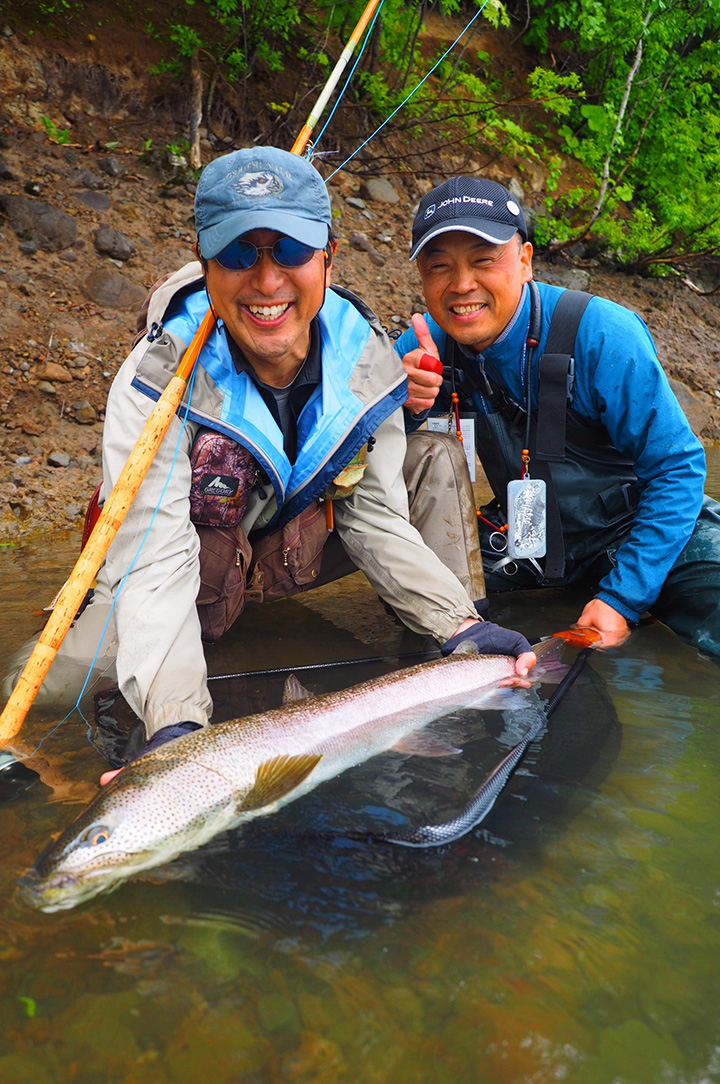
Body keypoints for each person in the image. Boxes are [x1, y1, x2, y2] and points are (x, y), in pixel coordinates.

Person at [4, 150, 536, 768]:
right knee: (45, 687)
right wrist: (177, 728)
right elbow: (154, 564)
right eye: (238, 254)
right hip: (179, 563)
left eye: (288, 251)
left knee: (432, 460)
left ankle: (434, 664)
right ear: (206, 268)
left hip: (284, 554)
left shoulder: (367, 365)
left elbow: (377, 519)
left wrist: (460, 628)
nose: (266, 281)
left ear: (328, 260)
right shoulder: (155, 382)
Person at [395, 175, 720, 656]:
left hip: (643, 526)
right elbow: (360, 471)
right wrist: (398, 409)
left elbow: (678, 470)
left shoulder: (603, 333)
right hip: (530, 541)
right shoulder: (420, 352)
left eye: (484, 261)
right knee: (418, 607)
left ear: (525, 260)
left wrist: (621, 597)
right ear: (422, 277)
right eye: (439, 266)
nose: (462, 285)